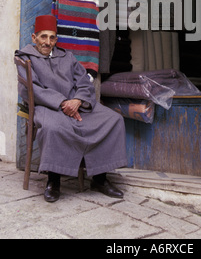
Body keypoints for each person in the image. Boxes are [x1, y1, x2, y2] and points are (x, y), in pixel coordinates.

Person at [15, 14, 127, 202]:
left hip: (76, 104)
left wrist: (77, 101)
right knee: (53, 127)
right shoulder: (25, 58)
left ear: (56, 40)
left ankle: (99, 178)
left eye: (52, 37)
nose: (47, 42)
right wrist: (61, 102)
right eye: (43, 37)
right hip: (47, 105)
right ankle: (53, 181)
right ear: (34, 38)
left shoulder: (67, 57)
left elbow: (84, 82)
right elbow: (32, 89)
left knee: (113, 120)